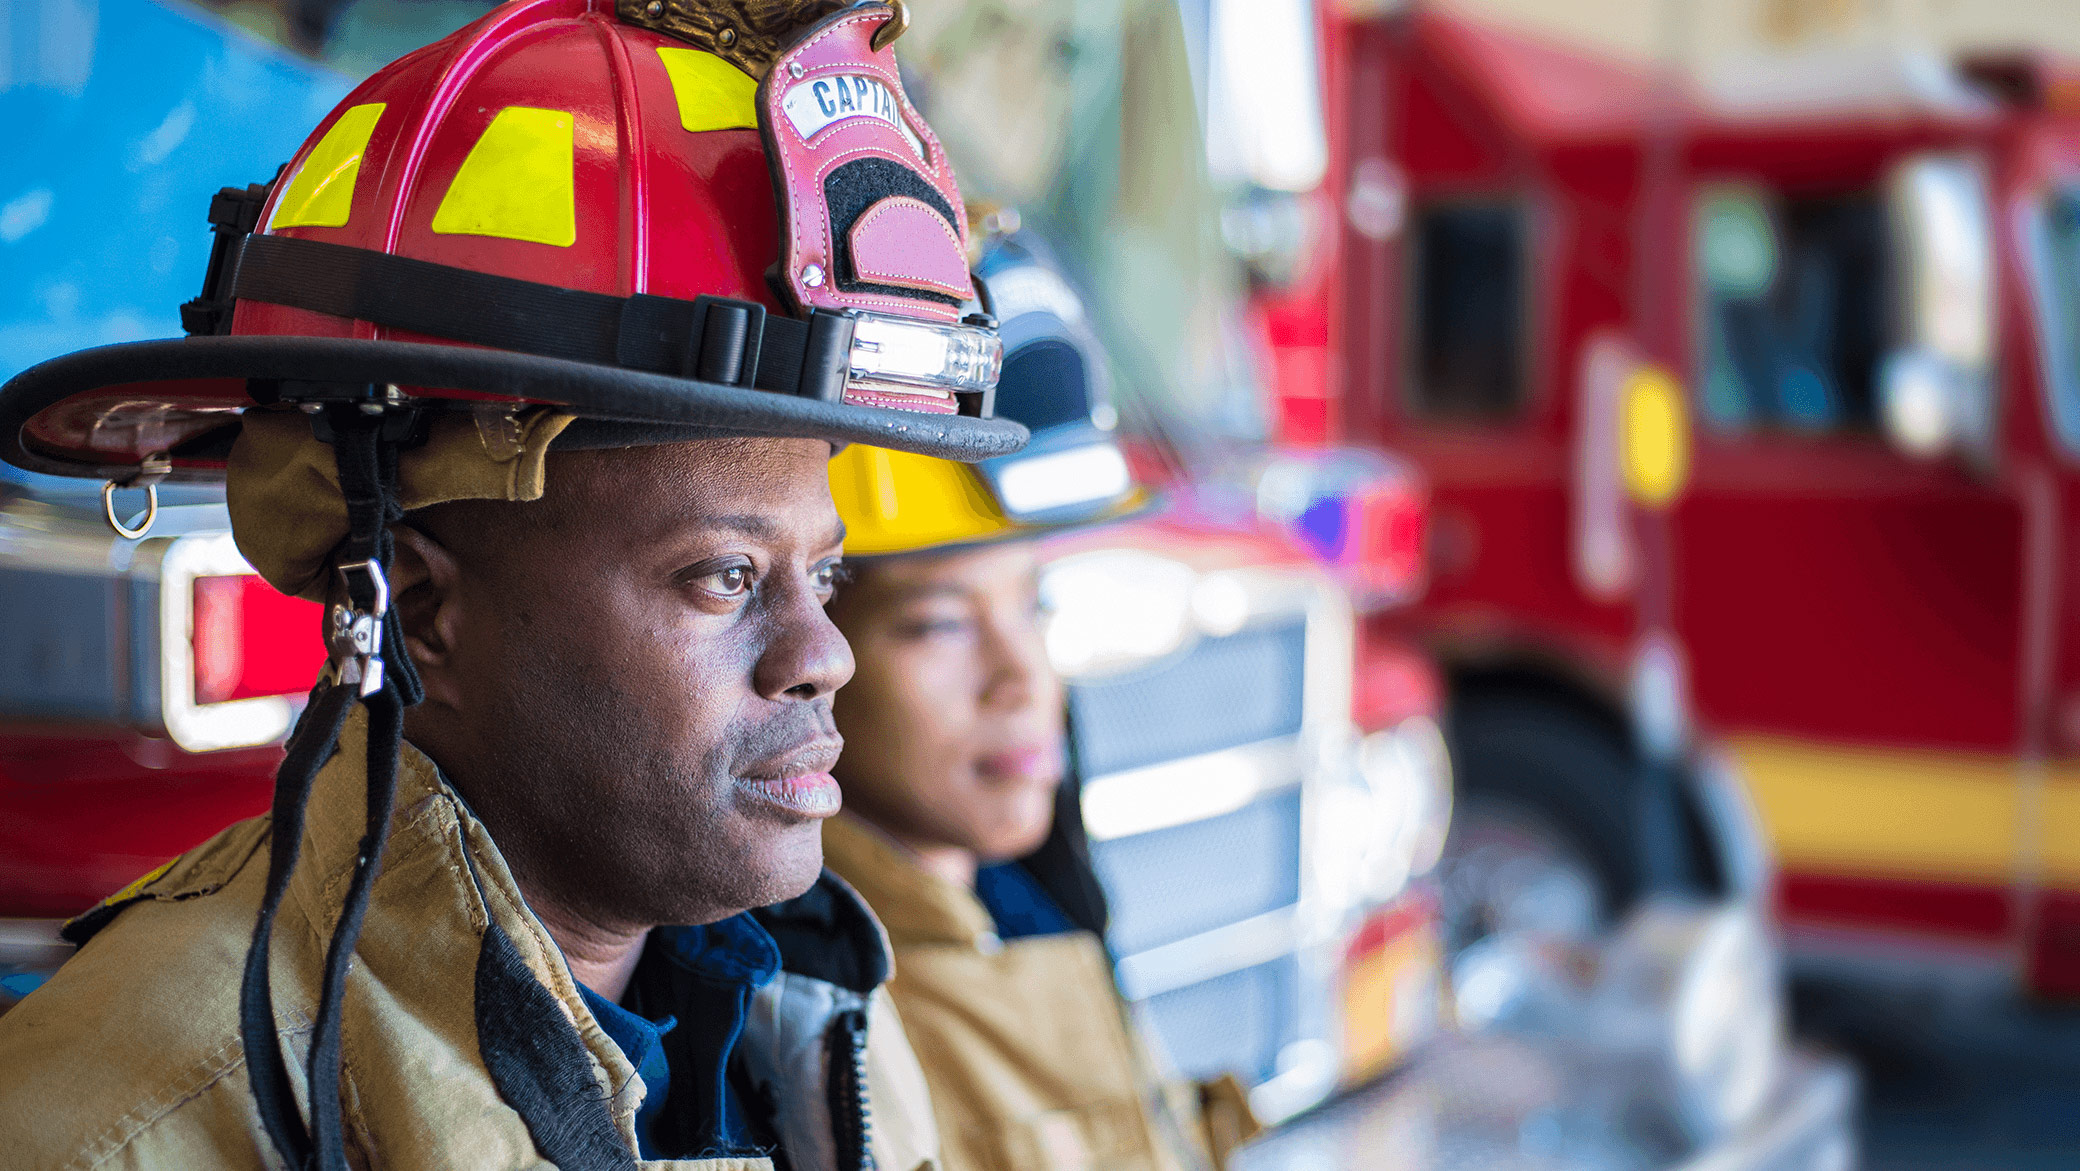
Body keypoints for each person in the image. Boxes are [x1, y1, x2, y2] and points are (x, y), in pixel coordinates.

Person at [0, 1, 1025, 1167]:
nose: (823, 653)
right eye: (727, 576)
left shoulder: (824, 1014)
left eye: (823, 572)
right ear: (422, 609)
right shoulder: (120, 1132)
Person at [819, 231, 1257, 1171]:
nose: (1025, 681)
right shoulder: (817, 1028)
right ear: (808, 645)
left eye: (1035, 604)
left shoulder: (1031, 907)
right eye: (939, 622)